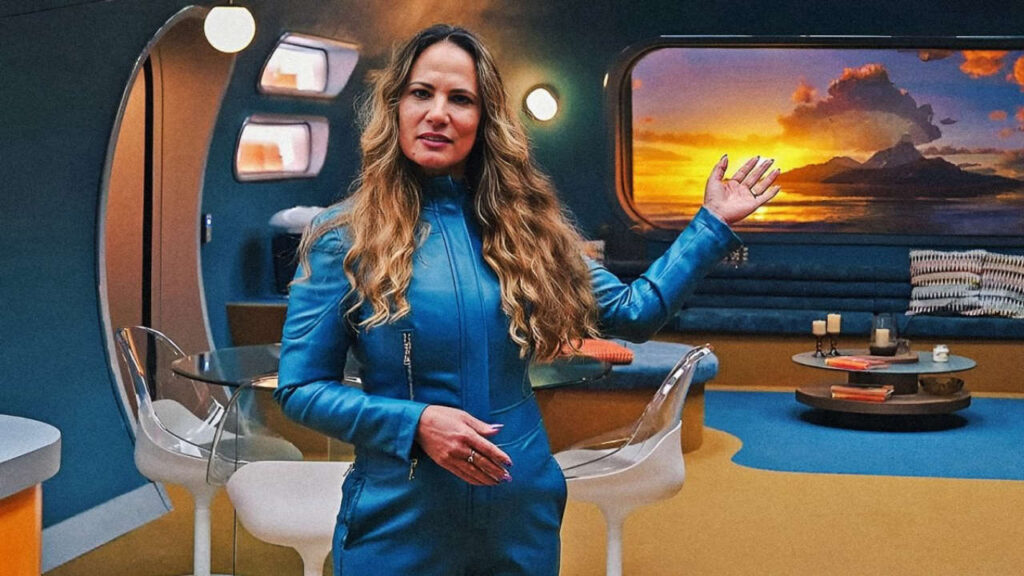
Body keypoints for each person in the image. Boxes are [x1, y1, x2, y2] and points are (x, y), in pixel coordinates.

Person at [274, 23, 779, 576]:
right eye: (421, 93)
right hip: (399, 520)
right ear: (395, 107)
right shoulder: (342, 238)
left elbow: (635, 313)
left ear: (485, 120)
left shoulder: (528, 231)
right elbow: (301, 389)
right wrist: (415, 424)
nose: (438, 113)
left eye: (460, 99)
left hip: (520, 515)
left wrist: (710, 226)